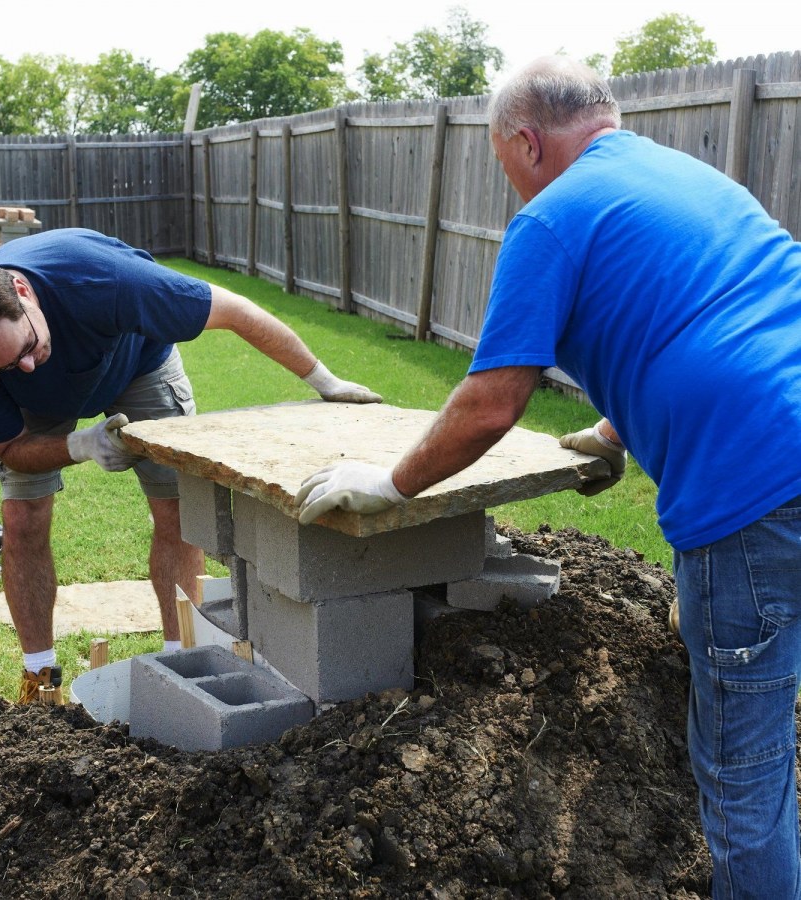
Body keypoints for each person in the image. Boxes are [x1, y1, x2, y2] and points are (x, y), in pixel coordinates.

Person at [295, 56, 801, 898]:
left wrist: (393, 483)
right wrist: (614, 432)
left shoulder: (553, 220)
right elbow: (711, 316)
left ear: (525, 141)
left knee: (744, 774)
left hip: (750, 488)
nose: (513, 188)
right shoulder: (684, 176)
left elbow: (494, 400)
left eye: (504, 166)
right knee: (760, 689)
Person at [0, 227, 381, 705]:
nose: (25, 365)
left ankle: (179, 656)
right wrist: (80, 444)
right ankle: (39, 678)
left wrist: (324, 381)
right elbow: (11, 446)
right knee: (22, 518)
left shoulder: (103, 279)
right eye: (3, 365)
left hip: (137, 365)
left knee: (176, 508)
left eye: (25, 347)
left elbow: (237, 312)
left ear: (23, 293)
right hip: (35, 408)